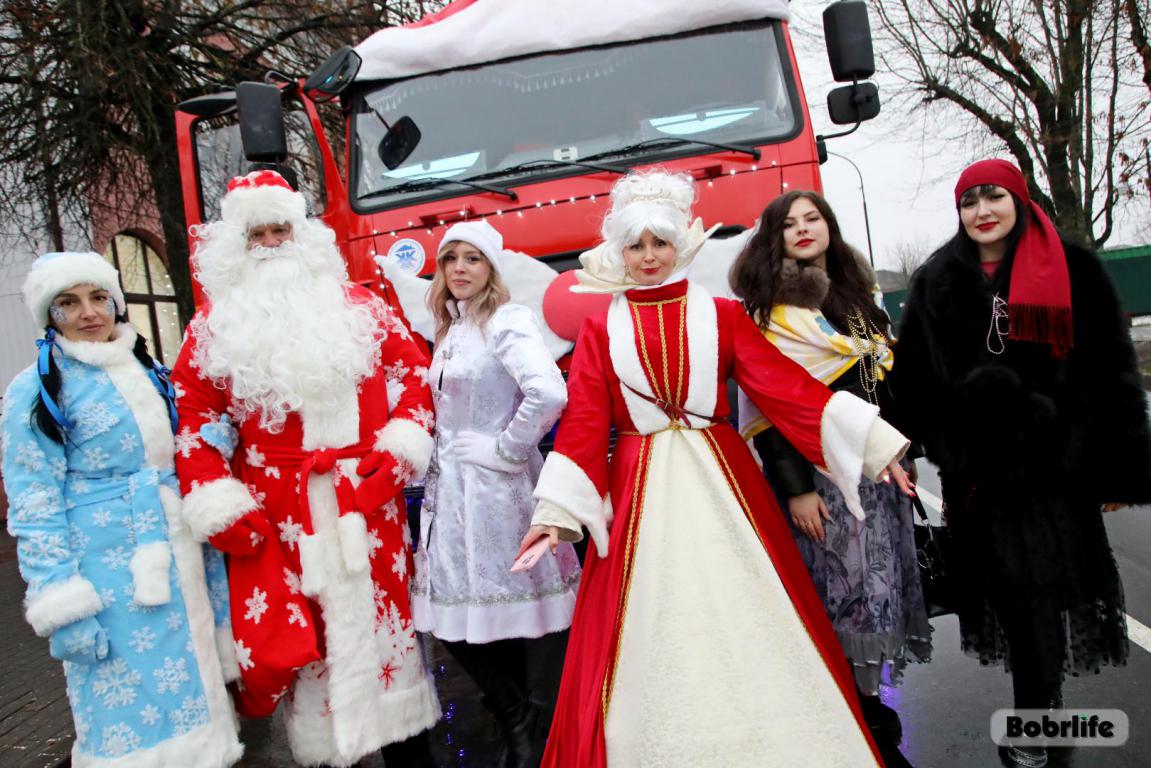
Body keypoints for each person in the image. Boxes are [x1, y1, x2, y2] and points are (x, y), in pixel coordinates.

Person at [518, 170, 915, 767]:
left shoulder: (724, 316)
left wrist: (877, 447)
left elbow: (787, 391)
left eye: (659, 242)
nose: (648, 256)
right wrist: (554, 513)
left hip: (725, 479)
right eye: (635, 245)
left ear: (679, 244)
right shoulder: (600, 328)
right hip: (640, 483)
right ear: (619, 251)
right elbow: (584, 424)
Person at [171, 170, 440, 767]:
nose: (271, 245)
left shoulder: (364, 308)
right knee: (307, 648)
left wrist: (399, 451)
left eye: (280, 231)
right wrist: (217, 497)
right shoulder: (212, 330)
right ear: (237, 248)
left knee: (388, 643)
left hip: (365, 503)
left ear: (303, 236)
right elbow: (194, 420)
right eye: (257, 235)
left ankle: (410, 752)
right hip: (279, 515)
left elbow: (413, 376)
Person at [890, 159, 1151, 768]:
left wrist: (1119, 468)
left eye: (994, 197)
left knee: (1042, 590)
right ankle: (1041, 702)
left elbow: (1112, 372)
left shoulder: (1073, 269)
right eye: (969, 201)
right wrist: (926, 442)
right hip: (979, 477)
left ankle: (1035, 713)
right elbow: (913, 380)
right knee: (1009, 595)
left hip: (1056, 469)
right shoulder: (936, 279)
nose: (982, 211)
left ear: (1019, 201)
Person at [2, 251, 242, 767]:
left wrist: (212, 438)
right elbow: (34, 503)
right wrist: (61, 599)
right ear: (50, 314)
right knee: (127, 708)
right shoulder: (36, 389)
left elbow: (175, 445)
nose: (89, 312)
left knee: (195, 687)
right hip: (107, 573)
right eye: (69, 303)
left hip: (179, 557)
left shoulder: (148, 369)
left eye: (98, 297)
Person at [729, 191, 931, 758]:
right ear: (774, 239)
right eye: (788, 224)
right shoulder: (771, 314)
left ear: (829, 226)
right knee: (845, 593)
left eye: (812, 218)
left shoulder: (855, 294)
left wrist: (904, 450)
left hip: (879, 472)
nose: (802, 229)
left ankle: (870, 701)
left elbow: (882, 382)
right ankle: (857, 714)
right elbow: (768, 411)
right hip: (823, 479)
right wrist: (795, 490)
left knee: (879, 587)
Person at [413, 220, 580, 767]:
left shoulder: (508, 319)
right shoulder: (450, 326)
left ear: (491, 268)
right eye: (450, 258)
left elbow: (548, 391)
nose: (460, 268)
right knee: (456, 620)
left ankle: (527, 725)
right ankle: (516, 716)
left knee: (505, 614)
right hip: (449, 495)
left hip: (494, 494)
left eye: (473, 258)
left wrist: (505, 449)